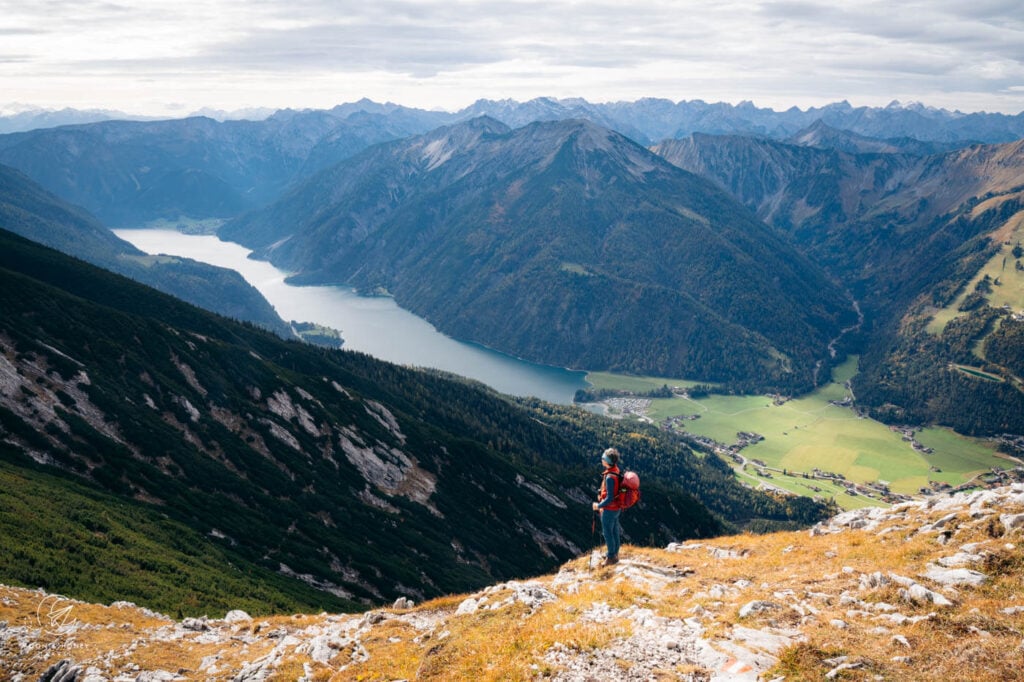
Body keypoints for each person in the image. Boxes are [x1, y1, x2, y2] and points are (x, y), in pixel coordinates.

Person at [592, 447, 623, 565]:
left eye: (603, 458)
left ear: (608, 461)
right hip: (616, 508)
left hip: (609, 510)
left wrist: (598, 505)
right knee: (614, 531)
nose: (601, 459)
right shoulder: (616, 471)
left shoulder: (610, 477)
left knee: (607, 533)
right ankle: (615, 552)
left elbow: (609, 498)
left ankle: (611, 557)